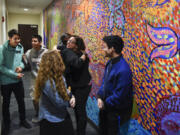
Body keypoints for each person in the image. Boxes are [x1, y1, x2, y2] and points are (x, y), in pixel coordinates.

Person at [97, 35, 133, 135]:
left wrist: (105, 103)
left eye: (104, 47)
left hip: (114, 112)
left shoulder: (123, 70)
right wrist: (99, 97)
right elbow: (104, 82)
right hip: (106, 108)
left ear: (112, 49)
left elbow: (119, 96)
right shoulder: (110, 63)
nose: (102, 50)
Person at [33, 50, 75, 135]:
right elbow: (59, 102)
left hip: (58, 115)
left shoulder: (57, 76)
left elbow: (64, 89)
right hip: (52, 120)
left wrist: (71, 95)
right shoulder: (48, 81)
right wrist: (69, 102)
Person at [0, 29, 32, 135]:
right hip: (6, 82)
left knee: (21, 101)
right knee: (6, 104)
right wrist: (14, 74)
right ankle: (7, 124)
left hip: (18, 81)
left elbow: (22, 62)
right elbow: (1, 67)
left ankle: (23, 120)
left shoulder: (20, 47)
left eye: (19, 38)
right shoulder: (2, 49)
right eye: (15, 39)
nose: (18, 40)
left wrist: (21, 67)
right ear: (9, 38)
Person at [61, 35, 91, 135]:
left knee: (80, 111)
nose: (68, 43)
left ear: (77, 45)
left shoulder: (80, 55)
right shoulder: (70, 52)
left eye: (71, 42)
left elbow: (76, 64)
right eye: (68, 41)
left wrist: (82, 58)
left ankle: (81, 132)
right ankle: (79, 131)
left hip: (82, 87)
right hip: (76, 86)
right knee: (77, 110)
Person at [23, 34, 47, 123]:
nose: (33, 43)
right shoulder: (29, 52)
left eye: (35, 41)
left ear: (40, 42)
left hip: (45, 79)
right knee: (34, 98)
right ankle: (37, 113)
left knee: (46, 98)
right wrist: (23, 58)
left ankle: (46, 114)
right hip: (34, 79)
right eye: (32, 41)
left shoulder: (46, 52)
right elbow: (25, 63)